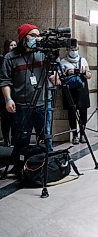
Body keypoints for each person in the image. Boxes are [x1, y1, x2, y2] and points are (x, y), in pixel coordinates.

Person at [0, 24, 55, 173]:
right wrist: (8, 99)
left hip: (42, 103)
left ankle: (46, 166)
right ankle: (19, 167)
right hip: (21, 105)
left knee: (44, 136)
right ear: (24, 38)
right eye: (33, 35)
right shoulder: (10, 57)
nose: (37, 39)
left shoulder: (42, 54)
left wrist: (56, 77)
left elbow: (51, 74)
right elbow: (5, 81)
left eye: (38, 35)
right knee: (20, 138)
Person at [60, 43, 91, 144]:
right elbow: (60, 77)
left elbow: (89, 75)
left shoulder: (83, 60)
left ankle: (82, 133)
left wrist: (84, 72)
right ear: (67, 49)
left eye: (75, 49)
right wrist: (68, 72)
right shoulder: (63, 61)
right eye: (71, 49)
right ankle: (74, 135)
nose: (74, 51)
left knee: (83, 111)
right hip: (69, 89)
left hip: (82, 88)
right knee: (72, 112)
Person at [0, 39, 17, 146]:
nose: (14, 47)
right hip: (4, 92)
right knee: (5, 117)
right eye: (11, 45)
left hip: (16, 91)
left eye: (15, 45)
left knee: (15, 118)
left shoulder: (17, 58)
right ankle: (6, 138)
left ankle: (14, 139)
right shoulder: (2, 59)